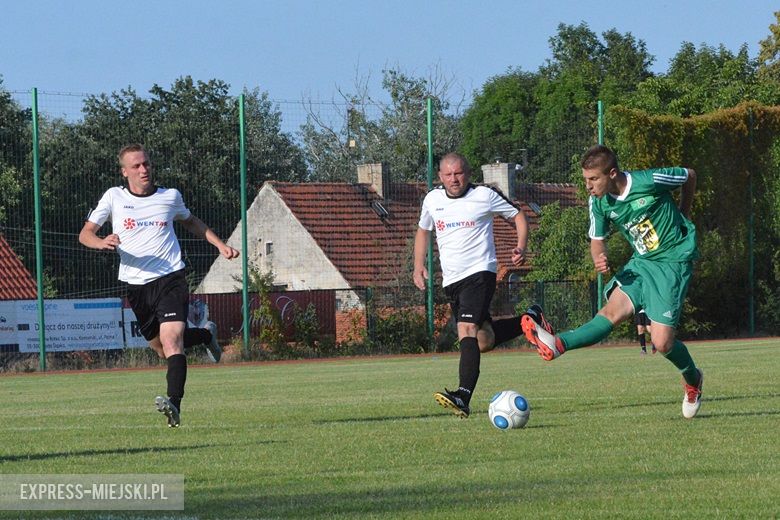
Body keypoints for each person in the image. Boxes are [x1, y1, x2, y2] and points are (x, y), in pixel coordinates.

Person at [521, 144, 704, 419]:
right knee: (611, 312)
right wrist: (599, 257)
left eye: (593, 179)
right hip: (641, 263)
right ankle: (558, 344)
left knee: (663, 342)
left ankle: (693, 380)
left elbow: (689, 175)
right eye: (585, 179)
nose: (588, 186)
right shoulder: (599, 202)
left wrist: (683, 211)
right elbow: (597, 242)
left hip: (672, 262)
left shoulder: (649, 181)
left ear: (612, 173)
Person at [79, 144, 240, 427]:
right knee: (161, 348)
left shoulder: (169, 197)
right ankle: (204, 336)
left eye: (147, 164)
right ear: (124, 171)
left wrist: (220, 245)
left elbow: (192, 222)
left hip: (171, 278)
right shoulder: (113, 197)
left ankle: (173, 405)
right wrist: (101, 242)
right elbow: (85, 234)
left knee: (171, 341)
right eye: (137, 166)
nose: (144, 170)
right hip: (136, 285)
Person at [413, 152, 529, 418]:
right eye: (448, 175)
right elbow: (423, 231)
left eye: (459, 173)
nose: (454, 179)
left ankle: (463, 395)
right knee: (483, 340)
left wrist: (521, 245)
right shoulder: (432, 200)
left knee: (465, 328)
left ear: (467, 173)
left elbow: (518, 216)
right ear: (440, 177)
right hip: (451, 280)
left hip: (480, 273)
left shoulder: (484, 195)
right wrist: (419, 264)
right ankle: (528, 319)